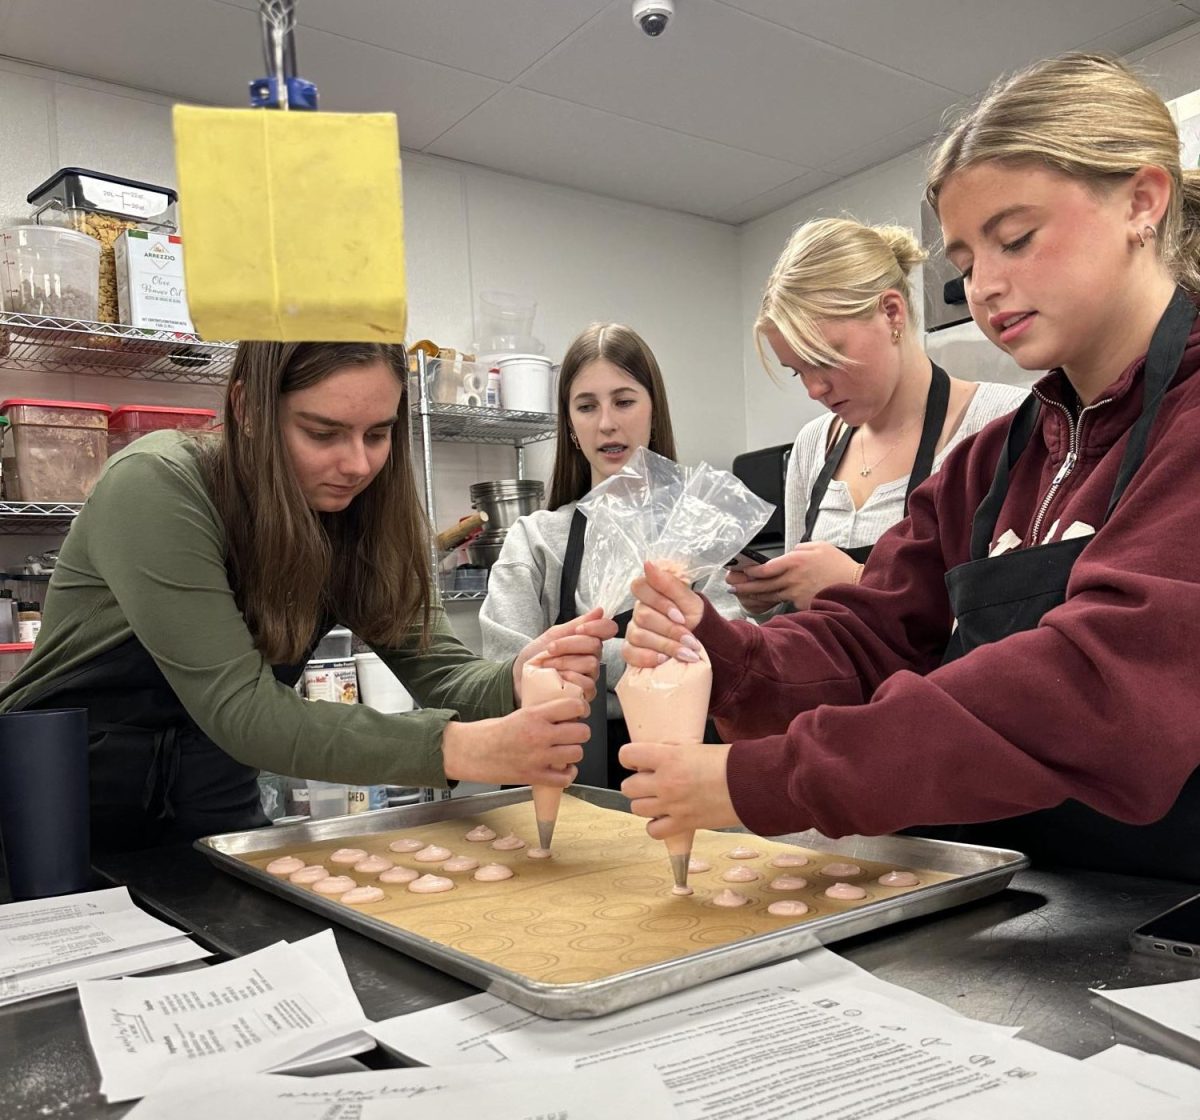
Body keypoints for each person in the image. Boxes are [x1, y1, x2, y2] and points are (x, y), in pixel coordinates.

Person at [619, 53, 1200, 883]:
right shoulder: (993, 463)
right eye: (966, 263)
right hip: (1024, 893)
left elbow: (1097, 688)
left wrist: (769, 779)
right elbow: (869, 636)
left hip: (1174, 924)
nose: (986, 286)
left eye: (1016, 239)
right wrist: (721, 655)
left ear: (1142, 201)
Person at [0, 342, 613, 851]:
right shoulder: (158, 485)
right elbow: (244, 713)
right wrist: (465, 747)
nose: (357, 463)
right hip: (57, 814)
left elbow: (443, 676)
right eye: (323, 433)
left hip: (215, 813)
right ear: (247, 406)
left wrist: (519, 676)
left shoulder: (357, 518)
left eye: (379, 434)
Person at [480, 323, 741, 786]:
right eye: (586, 406)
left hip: (682, 785)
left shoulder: (701, 536)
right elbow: (507, 674)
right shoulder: (536, 540)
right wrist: (651, 660)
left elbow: (735, 667)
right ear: (571, 427)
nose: (606, 423)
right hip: (564, 786)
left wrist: (589, 662)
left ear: (653, 411)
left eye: (623, 401)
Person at [728, 217, 1027, 616]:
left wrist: (856, 581)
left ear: (891, 313)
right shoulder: (814, 444)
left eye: (825, 359)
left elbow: (1013, 612)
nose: (814, 390)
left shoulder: (1003, 421)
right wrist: (771, 595)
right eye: (797, 370)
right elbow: (800, 615)